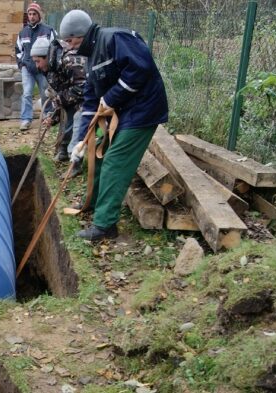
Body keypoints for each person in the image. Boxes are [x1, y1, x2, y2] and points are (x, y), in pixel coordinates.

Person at [60, 9, 169, 241]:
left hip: (142, 111)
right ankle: (93, 201)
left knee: (114, 162)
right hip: (123, 111)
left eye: (70, 41)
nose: (69, 46)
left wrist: (112, 97)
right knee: (95, 155)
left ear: (81, 34)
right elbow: (91, 103)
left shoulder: (115, 38)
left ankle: (105, 226)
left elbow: (141, 68)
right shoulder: (91, 58)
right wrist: (81, 141)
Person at [30, 36, 86, 178]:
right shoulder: (50, 69)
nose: (37, 66)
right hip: (72, 99)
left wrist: (58, 100)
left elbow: (82, 87)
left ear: (47, 56)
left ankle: (75, 165)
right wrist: (53, 117)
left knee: (78, 127)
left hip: (87, 100)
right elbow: (62, 97)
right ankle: (63, 152)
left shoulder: (69, 61)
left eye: (38, 61)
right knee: (66, 123)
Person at [15, 2, 55, 131]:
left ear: (39, 15)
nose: (31, 17)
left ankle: (47, 117)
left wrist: (50, 66)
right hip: (28, 68)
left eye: (34, 14)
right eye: (29, 14)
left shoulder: (48, 30)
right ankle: (26, 119)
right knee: (27, 93)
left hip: (43, 69)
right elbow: (18, 50)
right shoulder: (23, 33)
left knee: (45, 94)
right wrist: (22, 64)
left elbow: (54, 48)